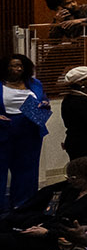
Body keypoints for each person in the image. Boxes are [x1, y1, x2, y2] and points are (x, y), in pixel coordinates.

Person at [0, 53, 50, 207]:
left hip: (30, 128)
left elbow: (44, 99)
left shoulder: (34, 83)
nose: (18, 69)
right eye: (14, 65)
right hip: (4, 127)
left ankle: (24, 204)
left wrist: (45, 104)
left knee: (27, 169)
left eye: (21, 66)